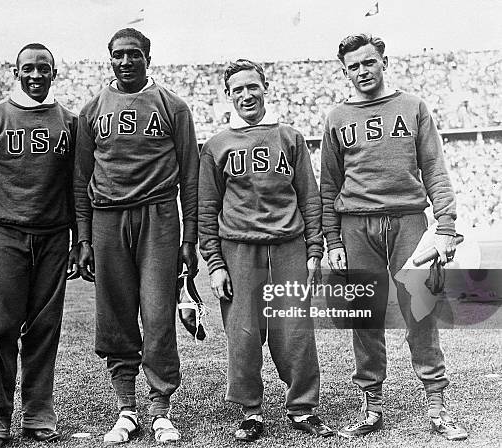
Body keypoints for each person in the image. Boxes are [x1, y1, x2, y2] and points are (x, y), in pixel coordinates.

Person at [320, 33, 468, 440]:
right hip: (355, 226)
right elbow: (328, 185)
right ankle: (372, 407)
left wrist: (447, 228)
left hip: (408, 223)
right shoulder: (336, 117)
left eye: (368, 62)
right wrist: (332, 242)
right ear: (344, 71)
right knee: (364, 318)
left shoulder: (412, 106)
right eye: (353, 66)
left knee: (421, 311)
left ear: (383, 61)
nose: (362, 71)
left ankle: (437, 406)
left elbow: (435, 169)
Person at [73, 28, 199, 444]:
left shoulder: (173, 106)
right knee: (115, 314)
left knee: (159, 313)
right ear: (109, 59)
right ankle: (126, 409)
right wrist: (85, 237)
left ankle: (160, 408)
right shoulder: (91, 111)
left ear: (148, 56)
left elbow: (191, 177)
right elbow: (80, 180)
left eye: (133, 55)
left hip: (159, 215)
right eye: (117, 56)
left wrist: (189, 239)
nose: (125, 62)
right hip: (107, 217)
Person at [199, 59, 333, 442]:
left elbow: (310, 198)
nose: (246, 94)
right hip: (238, 249)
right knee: (243, 333)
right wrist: (214, 264)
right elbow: (207, 207)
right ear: (228, 95)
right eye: (238, 89)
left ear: (265, 88)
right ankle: (251, 412)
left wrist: (313, 251)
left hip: (288, 246)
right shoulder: (216, 145)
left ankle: (302, 408)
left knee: (294, 332)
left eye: (252, 86)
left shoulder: (289, 137)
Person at [0, 43, 79, 448]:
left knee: (45, 330)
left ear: (54, 72)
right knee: (0, 331)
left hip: (53, 237)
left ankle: (37, 414)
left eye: (43, 68)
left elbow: (76, 188)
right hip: (7, 236)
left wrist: (78, 241)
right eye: (27, 68)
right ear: (16, 70)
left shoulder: (69, 122)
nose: (35, 75)